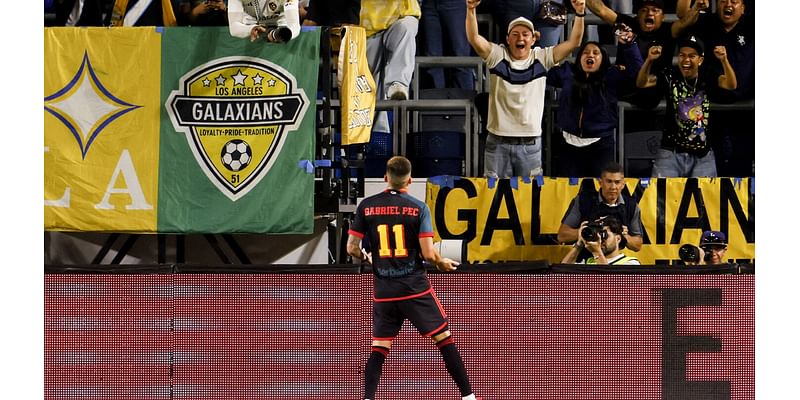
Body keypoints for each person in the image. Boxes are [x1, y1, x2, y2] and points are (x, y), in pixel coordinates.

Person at [346, 156, 478, 400]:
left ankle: (367, 398)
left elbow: (352, 248)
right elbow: (428, 253)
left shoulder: (366, 206)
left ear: (386, 178)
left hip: (384, 291)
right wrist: (442, 262)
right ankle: (468, 397)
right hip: (414, 289)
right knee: (444, 339)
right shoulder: (419, 208)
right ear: (410, 179)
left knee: (379, 347)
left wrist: (370, 259)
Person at [466, 0, 586, 178]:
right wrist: (470, 9)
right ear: (507, 39)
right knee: (495, 198)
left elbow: (574, 42)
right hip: (497, 142)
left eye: (525, 34)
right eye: (514, 34)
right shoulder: (497, 56)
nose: (520, 38)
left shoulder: (542, 57)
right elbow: (474, 38)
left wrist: (580, 13)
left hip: (530, 144)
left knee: (530, 200)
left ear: (534, 38)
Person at [546, 28, 642, 178]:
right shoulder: (568, 73)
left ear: (603, 58)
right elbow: (545, 70)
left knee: (598, 190)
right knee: (568, 192)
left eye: (595, 53)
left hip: (601, 144)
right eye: (585, 52)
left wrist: (629, 45)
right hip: (567, 142)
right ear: (579, 58)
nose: (590, 54)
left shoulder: (612, 76)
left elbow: (638, 73)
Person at [635, 35, 737, 177]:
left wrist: (724, 60)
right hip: (670, 151)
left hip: (703, 153)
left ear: (700, 60)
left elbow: (731, 85)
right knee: (663, 196)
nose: (686, 60)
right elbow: (642, 83)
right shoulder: (670, 74)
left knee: (703, 198)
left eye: (692, 56)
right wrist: (649, 60)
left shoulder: (707, 74)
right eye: (682, 55)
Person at [676, 0, 754, 177]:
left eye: (734, 1)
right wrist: (695, 6)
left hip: (745, 107)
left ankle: (741, 202)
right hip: (711, 106)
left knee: (742, 159)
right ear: (716, 5)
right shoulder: (707, 23)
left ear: (743, 8)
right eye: (723, 1)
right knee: (711, 161)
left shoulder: (752, 25)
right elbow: (682, 14)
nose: (729, 5)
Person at [361, 0, 421, 134]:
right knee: (368, 86)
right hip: (365, 24)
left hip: (400, 16)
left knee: (407, 26)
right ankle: (377, 138)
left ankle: (398, 83)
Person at [557, 161, 644, 251]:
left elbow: (638, 245)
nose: (613, 187)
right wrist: (587, 231)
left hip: (614, 258)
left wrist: (624, 236)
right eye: (609, 182)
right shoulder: (583, 200)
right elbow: (562, 236)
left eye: (617, 182)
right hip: (586, 256)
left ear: (623, 184)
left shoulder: (632, 205)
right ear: (600, 182)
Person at [421, 0, 475, 90]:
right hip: (428, 5)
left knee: (460, 58)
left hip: (456, 4)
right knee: (431, 59)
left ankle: (465, 99)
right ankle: (434, 100)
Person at [561, 215, 641, 265]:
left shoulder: (631, 263)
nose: (600, 240)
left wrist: (596, 252)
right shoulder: (590, 262)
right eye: (598, 235)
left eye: (604, 235)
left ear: (618, 238)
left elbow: (610, 286)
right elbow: (564, 272)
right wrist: (579, 244)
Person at [227, 0, 301, 43]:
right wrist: (251, 28)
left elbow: (294, 24)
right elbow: (234, 27)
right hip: (250, 29)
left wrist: (282, 35)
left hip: (280, 27)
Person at [108, 0, 181, 26]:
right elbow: (113, 22)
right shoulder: (119, 2)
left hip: (154, 46)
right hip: (127, 46)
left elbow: (174, 19)